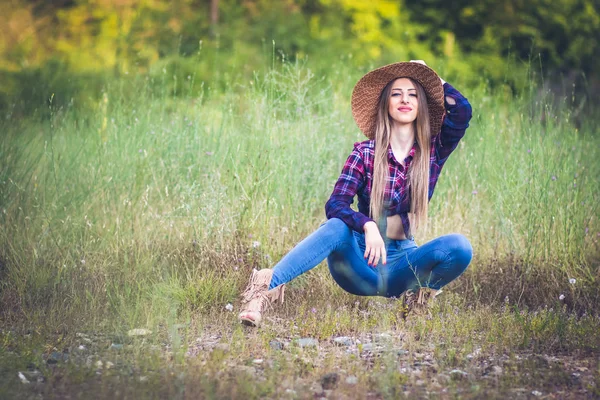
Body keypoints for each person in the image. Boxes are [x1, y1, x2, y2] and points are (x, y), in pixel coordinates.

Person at [238, 60, 473, 327]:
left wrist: (434, 79)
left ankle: (414, 302)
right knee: (336, 225)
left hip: (403, 263)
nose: (405, 99)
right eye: (396, 94)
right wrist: (368, 225)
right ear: (386, 104)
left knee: (459, 247)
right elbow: (336, 204)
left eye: (413, 94)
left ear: (422, 106)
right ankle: (259, 293)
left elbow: (462, 111)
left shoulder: (432, 152)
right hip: (360, 263)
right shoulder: (365, 153)